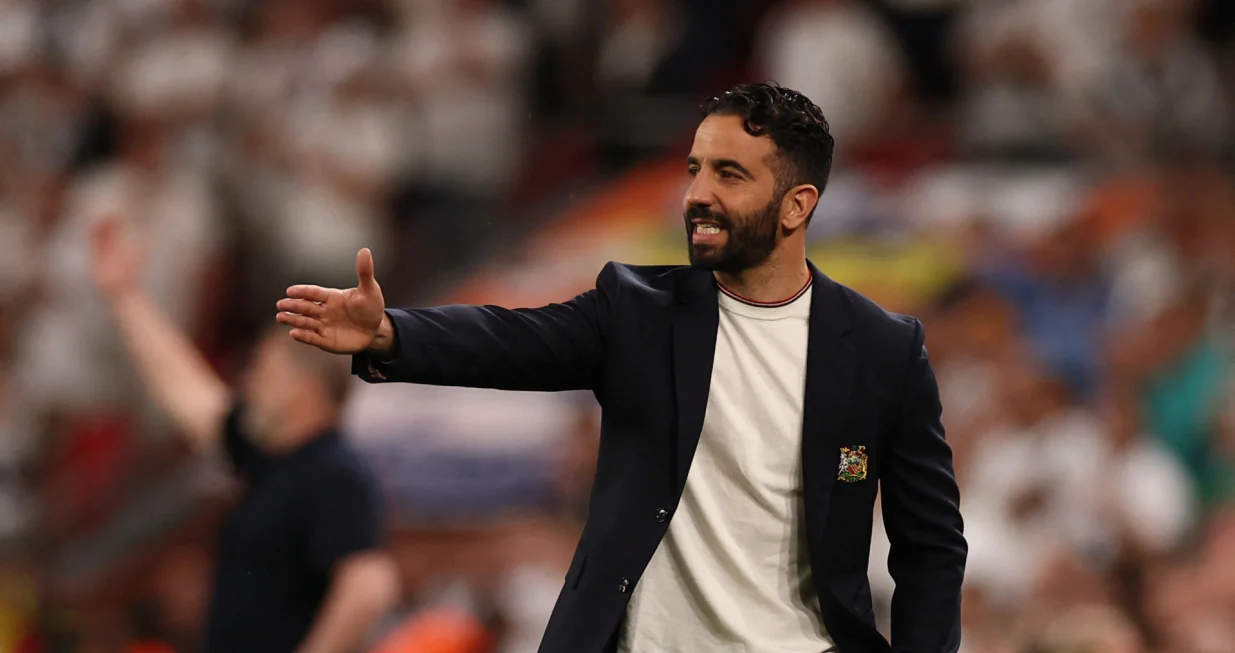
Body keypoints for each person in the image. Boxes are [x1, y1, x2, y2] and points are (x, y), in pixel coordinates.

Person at [277, 82, 968, 653]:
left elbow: (930, 545)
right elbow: (511, 339)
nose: (697, 194)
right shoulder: (637, 311)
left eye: (729, 174)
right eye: (695, 169)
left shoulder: (883, 350)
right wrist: (390, 332)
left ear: (797, 205)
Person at [90, 219, 399, 653]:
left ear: (304, 387)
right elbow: (189, 395)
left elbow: (369, 584)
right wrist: (125, 297)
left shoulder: (333, 472)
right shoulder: (272, 459)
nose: (248, 383)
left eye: (263, 371)